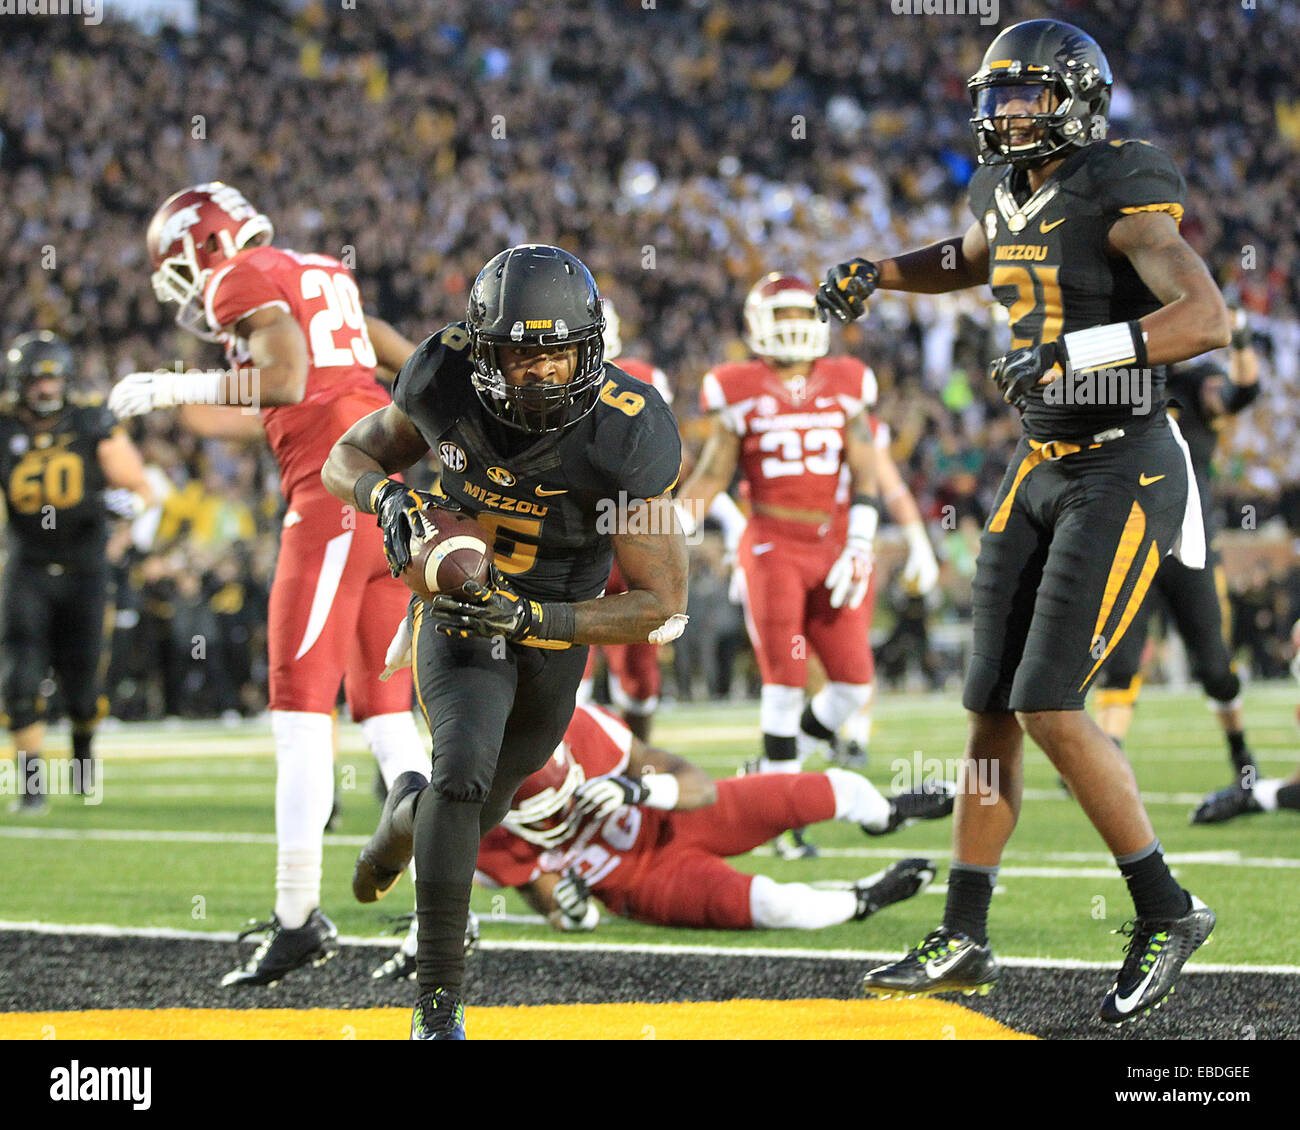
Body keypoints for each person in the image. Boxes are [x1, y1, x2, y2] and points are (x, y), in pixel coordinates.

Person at [817, 19, 1230, 1023]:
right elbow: (969, 256)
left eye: (1029, 97)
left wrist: (1074, 352)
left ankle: (1165, 906)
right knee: (990, 707)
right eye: (998, 97)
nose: (1008, 114)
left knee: (1049, 703)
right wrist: (880, 271)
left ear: (1077, 100)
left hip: (1121, 463)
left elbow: (1204, 316)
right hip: (1037, 462)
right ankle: (963, 934)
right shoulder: (999, 187)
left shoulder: (1117, 182)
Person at [322, 244, 687, 1040]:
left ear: (591, 348)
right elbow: (342, 457)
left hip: (557, 622)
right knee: (460, 775)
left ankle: (398, 822)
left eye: (558, 351)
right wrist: (384, 497)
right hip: (460, 607)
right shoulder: (441, 376)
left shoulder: (630, 431)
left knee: (477, 804)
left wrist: (535, 622)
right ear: (486, 349)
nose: (543, 373)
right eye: (523, 353)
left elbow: (665, 606)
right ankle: (439, 1005)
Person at [108, 182, 431, 987]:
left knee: (297, 708)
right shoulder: (322, 268)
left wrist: (176, 384)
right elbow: (387, 349)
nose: (187, 289)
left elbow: (286, 378)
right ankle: (437, 922)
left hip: (332, 503)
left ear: (203, 246)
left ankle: (296, 919)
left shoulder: (236, 276)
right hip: (381, 497)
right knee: (388, 718)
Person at [677, 272, 939, 858]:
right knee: (785, 681)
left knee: (851, 683)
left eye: (803, 316)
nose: (795, 328)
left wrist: (863, 537)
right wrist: (668, 527)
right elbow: (715, 474)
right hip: (773, 545)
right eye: (784, 317)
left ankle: (775, 760)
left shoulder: (847, 382)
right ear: (759, 326)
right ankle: (781, 816)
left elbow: (867, 469)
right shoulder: (737, 386)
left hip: (838, 540)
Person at [474, 701, 945, 934]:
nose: (559, 814)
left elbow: (695, 785)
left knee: (830, 787)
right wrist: (571, 912)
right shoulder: (481, 830)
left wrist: (640, 788)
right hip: (646, 883)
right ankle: (865, 899)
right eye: (541, 812)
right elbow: (545, 896)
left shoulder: (583, 731)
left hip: (673, 817)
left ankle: (886, 815)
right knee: (776, 907)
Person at [1093, 313, 1262, 823]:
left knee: (1214, 665)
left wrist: (1243, 337)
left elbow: (1240, 393)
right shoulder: (1110, 382)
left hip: (1188, 548)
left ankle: (1241, 758)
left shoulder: (1191, 385)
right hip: (1131, 544)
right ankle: (1105, 762)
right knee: (1121, 664)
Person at [0, 332, 153, 811]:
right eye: (36, 380)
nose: (45, 389)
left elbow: (141, 490)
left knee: (83, 687)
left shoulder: (91, 422)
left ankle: (83, 761)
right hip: (27, 565)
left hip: (85, 569)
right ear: (19, 383)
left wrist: (122, 534)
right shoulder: (5, 428)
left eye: (52, 380)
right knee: (21, 678)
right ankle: (30, 786)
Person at [574, 298, 679, 742]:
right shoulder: (544, 381)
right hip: (574, 535)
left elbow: (665, 459)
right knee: (566, 656)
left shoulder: (643, 378)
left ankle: (637, 768)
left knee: (639, 665)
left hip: (630, 533)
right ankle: (563, 769)